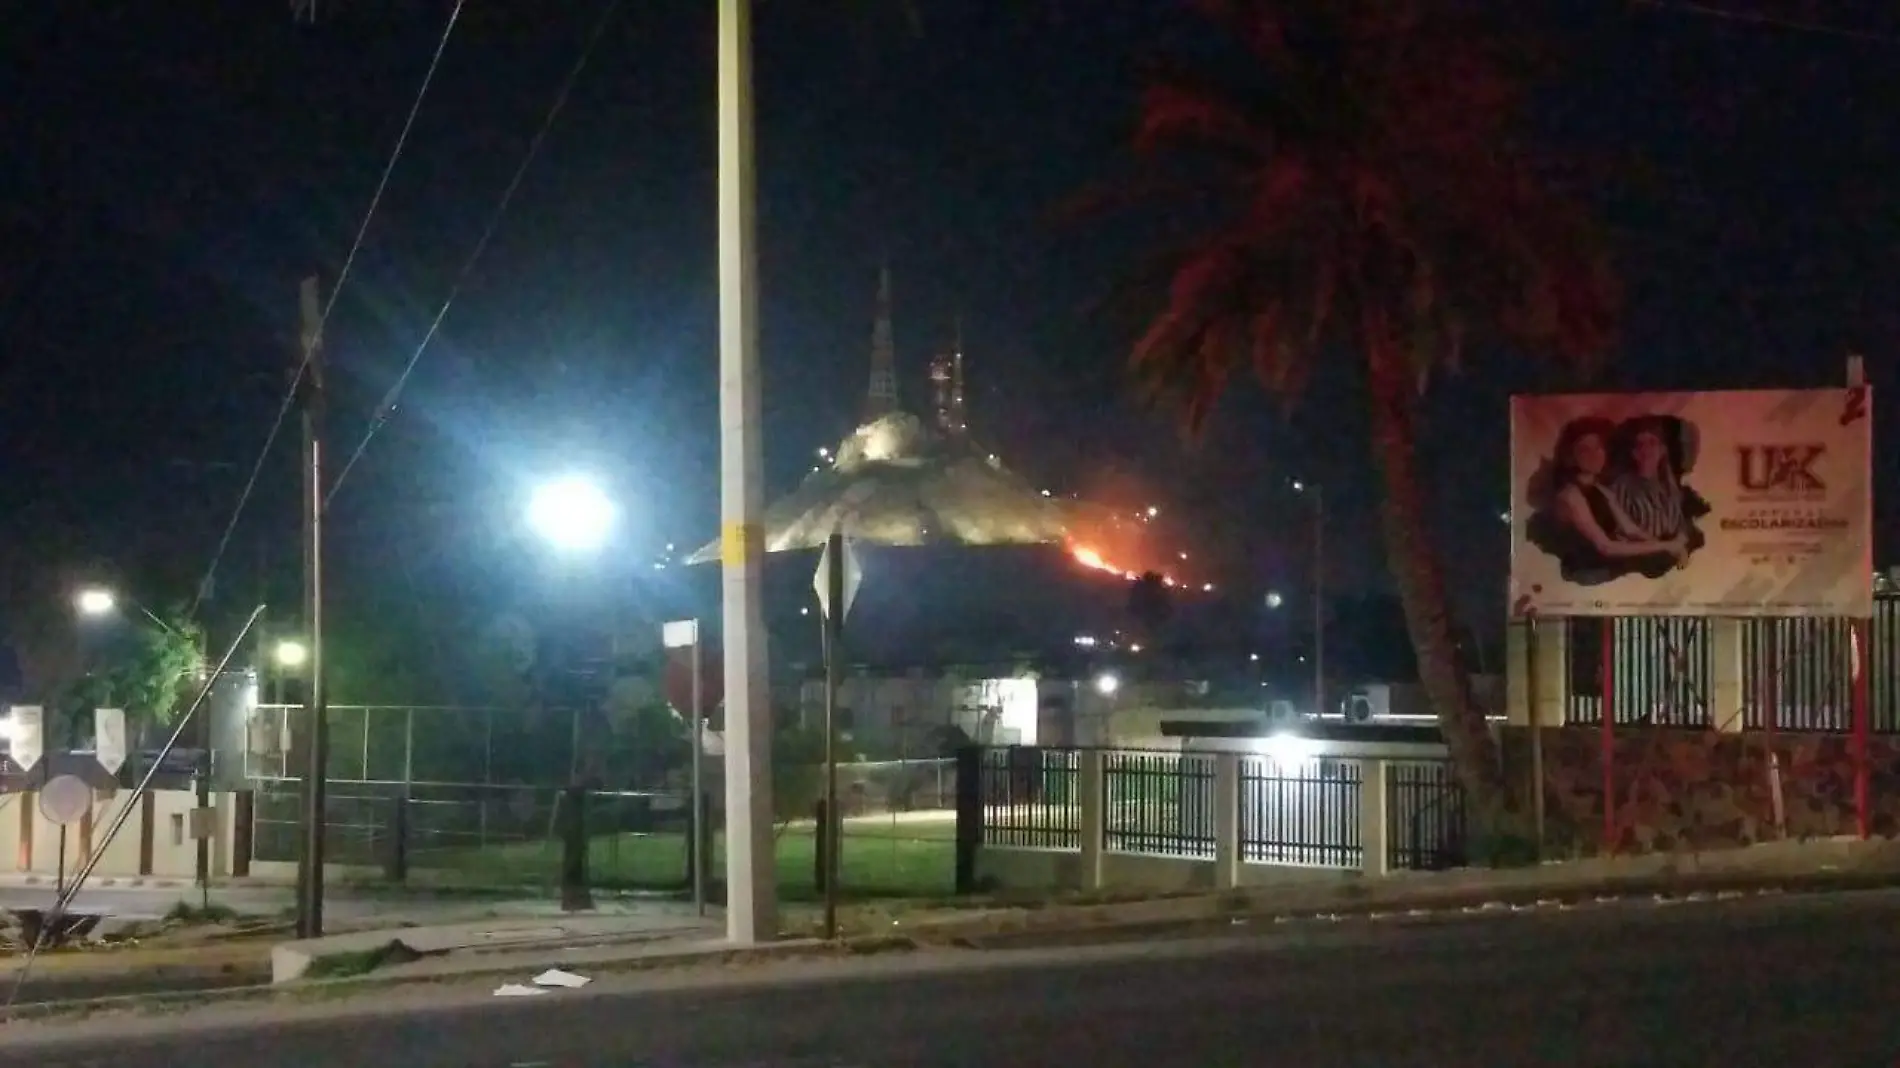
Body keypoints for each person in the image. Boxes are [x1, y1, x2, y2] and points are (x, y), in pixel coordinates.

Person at [1528, 416, 1686, 585]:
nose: (1594, 455)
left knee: (1664, 566)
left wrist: (1670, 547)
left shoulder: (1602, 490)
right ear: (1571, 456)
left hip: (1607, 568)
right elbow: (1606, 547)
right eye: (1585, 450)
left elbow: (1630, 529)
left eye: (1598, 447)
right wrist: (1666, 546)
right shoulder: (1570, 495)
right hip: (1587, 574)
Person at [1609, 415, 1709, 578]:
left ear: (1662, 450)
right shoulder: (1621, 486)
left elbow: (1681, 526)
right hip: (1639, 564)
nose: (1646, 450)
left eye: (1652, 443)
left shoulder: (1671, 487)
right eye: (1640, 445)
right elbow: (1625, 533)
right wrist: (1669, 547)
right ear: (1633, 453)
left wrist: (1680, 544)